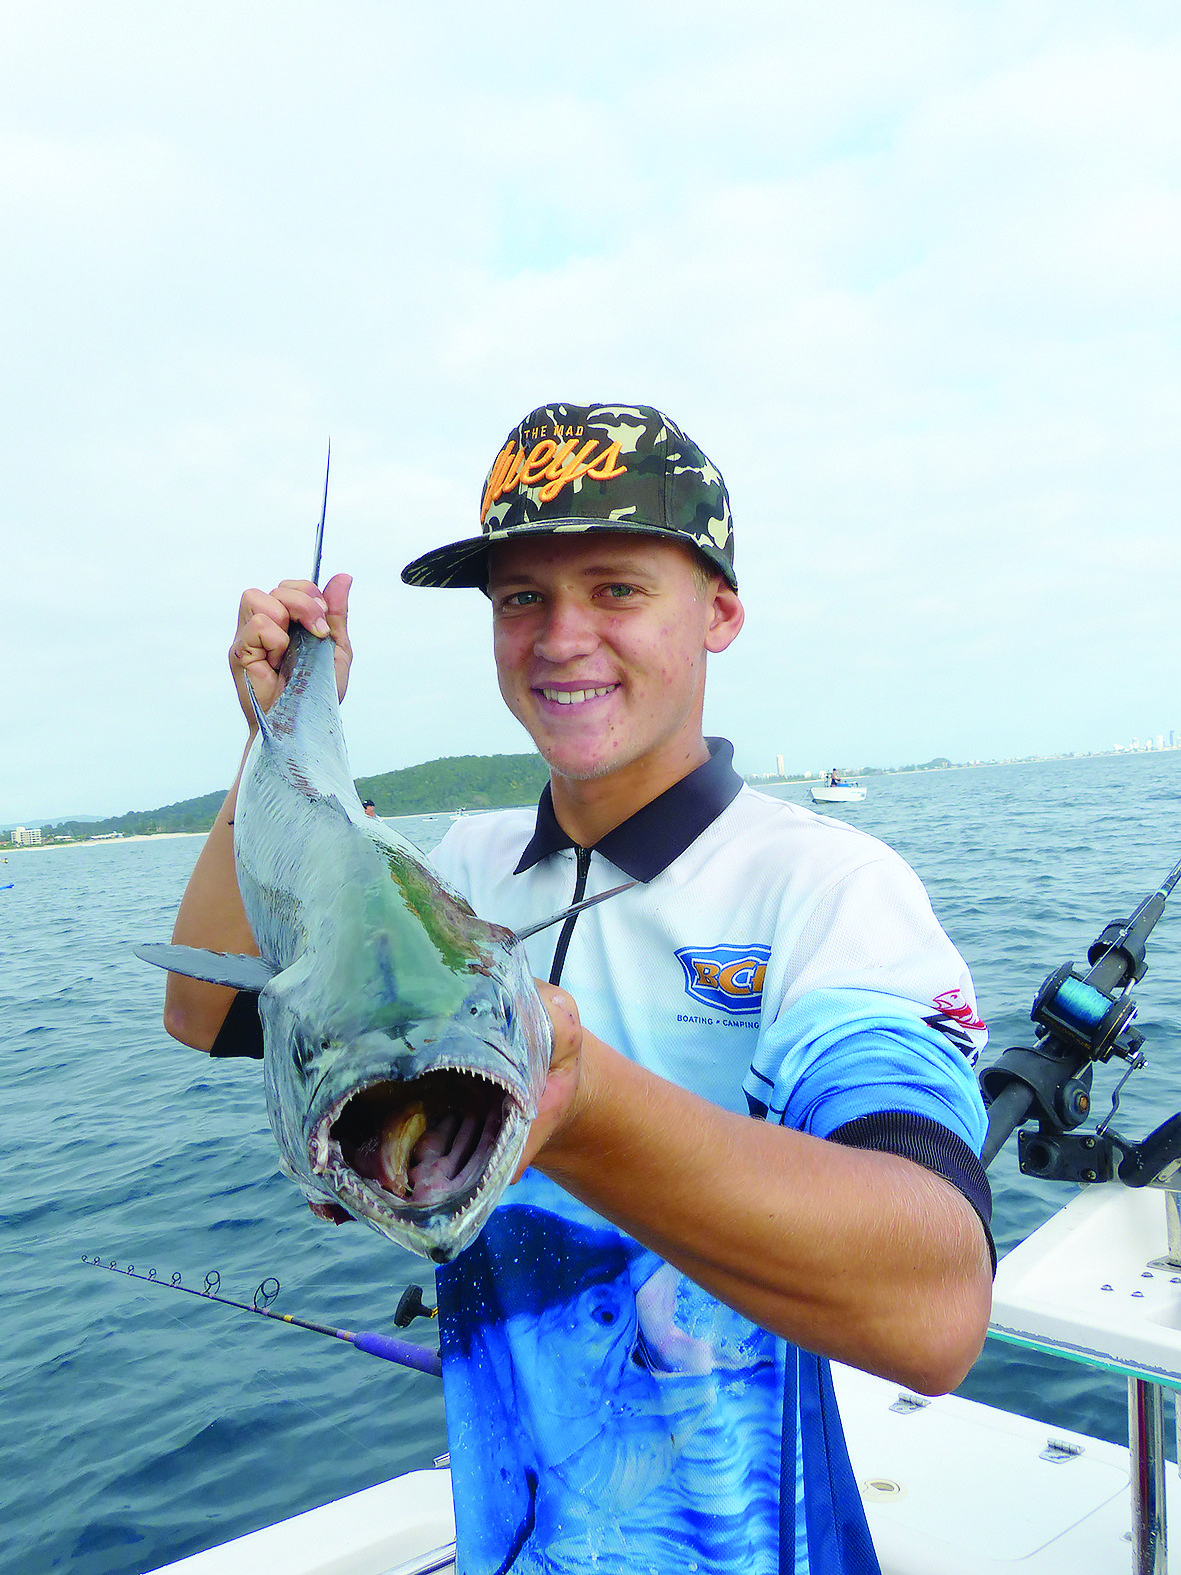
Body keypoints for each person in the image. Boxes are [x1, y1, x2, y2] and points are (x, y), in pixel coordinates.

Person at [164, 402, 992, 1575]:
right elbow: (206, 1014)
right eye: (521, 599)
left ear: (719, 611)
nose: (560, 637)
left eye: (614, 588)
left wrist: (578, 1104)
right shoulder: (458, 869)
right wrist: (279, 732)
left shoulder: (823, 888)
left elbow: (934, 1306)